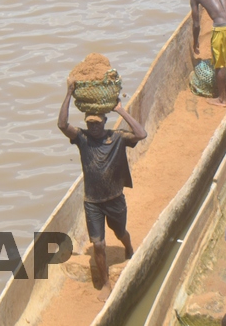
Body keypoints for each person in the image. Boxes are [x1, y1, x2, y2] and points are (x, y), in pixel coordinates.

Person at [57, 79, 148, 300]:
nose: (94, 127)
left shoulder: (116, 137)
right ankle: (106, 283)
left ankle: (128, 247)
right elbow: (62, 125)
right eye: (90, 124)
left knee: (120, 232)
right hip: (93, 202)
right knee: (98, 243)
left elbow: (141, 134)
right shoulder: (82, 138)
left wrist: (120, 110)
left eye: (97, 123)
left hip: (115, 198)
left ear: (105, 121)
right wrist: (68, 93)